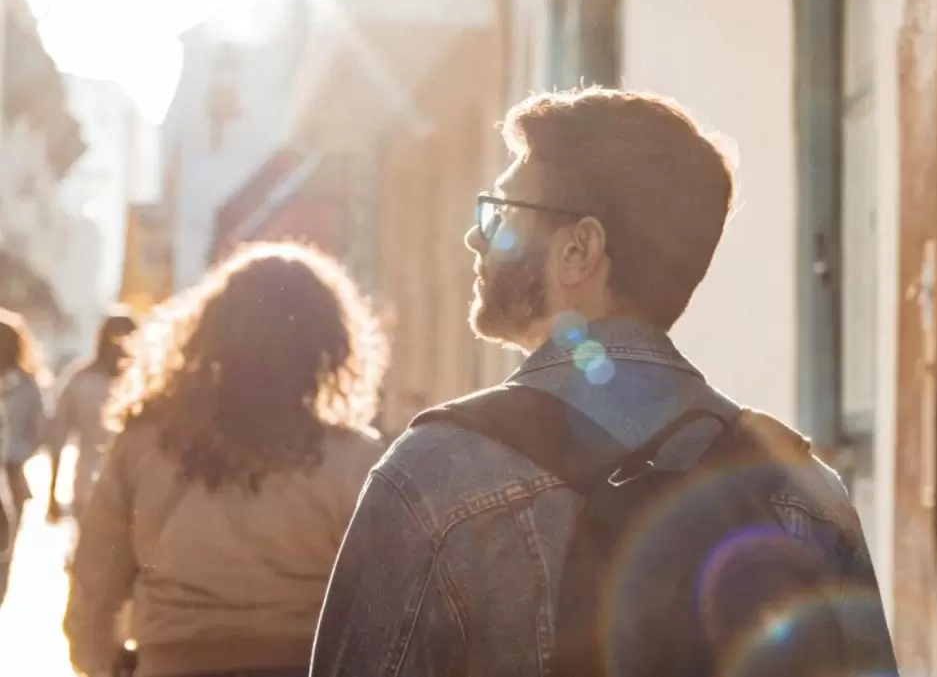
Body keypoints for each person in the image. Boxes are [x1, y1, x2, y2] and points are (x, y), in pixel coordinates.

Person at [311, 88, 897, 677]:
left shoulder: (435, 477)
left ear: (579, 250)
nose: (476, 237)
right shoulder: (806, 491)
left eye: (501, 213)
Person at [64, 242, 386, 677]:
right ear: (328, 345)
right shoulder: (355, 461)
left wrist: (105, 664)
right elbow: (390, 605)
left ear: (210, 334)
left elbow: (93, 586)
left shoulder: (145, 446)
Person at [48, 311, 138, 522]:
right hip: (124, 493)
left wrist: (51, 495)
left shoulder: (81, 379)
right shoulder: (143, 384)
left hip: (94, 488)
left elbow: (57, 440)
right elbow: (57, 439)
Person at [0, 308, 49, 605]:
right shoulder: (29, 385)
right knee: (4, 550)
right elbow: (39, 432)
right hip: (13, 473)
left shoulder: (27, 385)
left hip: (11, 472)